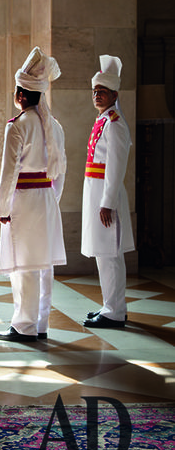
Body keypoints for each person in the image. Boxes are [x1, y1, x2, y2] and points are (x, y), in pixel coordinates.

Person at [0, 47, 66, 343]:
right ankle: (41, 323)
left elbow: (8, 172)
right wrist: (52, 200)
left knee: (23, 265)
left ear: (22, 95)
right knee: (43, 264)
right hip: (46, 200)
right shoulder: (55, 126)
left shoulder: (18, 126)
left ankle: (23, 326)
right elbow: (61, 171)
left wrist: (1, 207)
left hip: (23, 201)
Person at [82, 55, 135, 329]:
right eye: (94, 91)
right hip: (96, 193)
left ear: (115, 94)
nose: (97, 96)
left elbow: (115, 167)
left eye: (102, 91)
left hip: (106, 196)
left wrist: (107, 203)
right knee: (103, 254)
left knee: (110, 255)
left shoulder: (115, 124)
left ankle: (115, 311)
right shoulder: (102, 120)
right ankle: (110, 305)